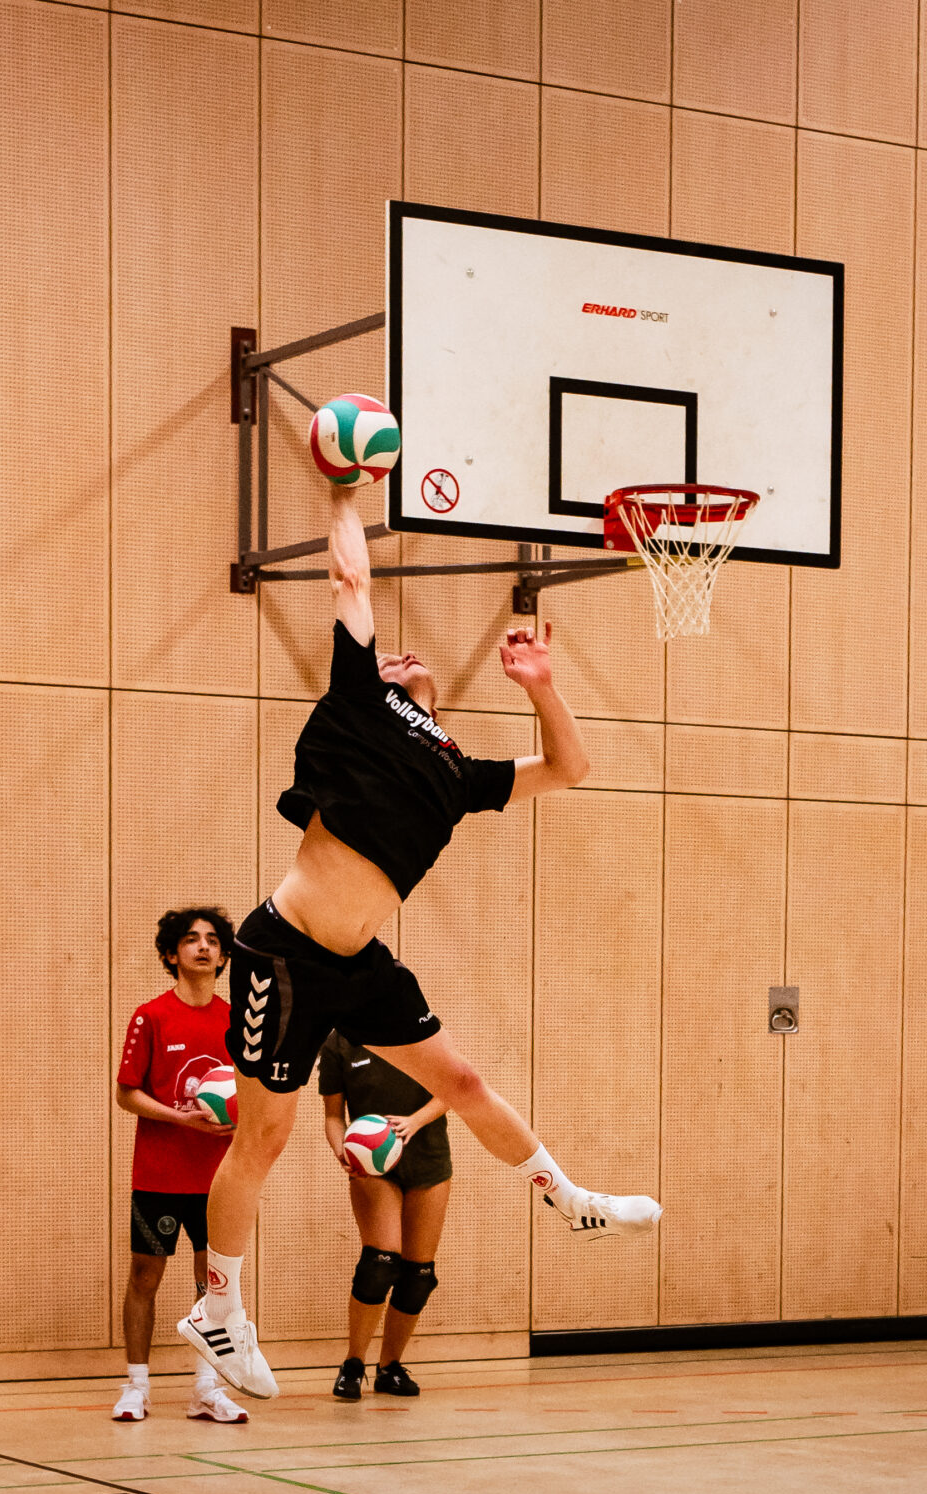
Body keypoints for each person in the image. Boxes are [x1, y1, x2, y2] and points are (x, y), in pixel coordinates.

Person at [178, 479, 661, 1402]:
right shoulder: (361, 701)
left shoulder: (458, 773)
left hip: (360, 966)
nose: (402, 656)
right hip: (284, 953)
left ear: (437, 699)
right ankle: (218, 1307)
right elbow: (350, 578)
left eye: (412, 661)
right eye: (393, 658)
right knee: (264, 1140)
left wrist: (544, 687)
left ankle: (571, 1200)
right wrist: (340, 488)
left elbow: (570, 766)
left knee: (466, 1082)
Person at [113, 907, 249, 1425]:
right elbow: (127, 1094)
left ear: (223, 955)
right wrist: (181, 1119)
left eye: (213, 940)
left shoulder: (237, 1020)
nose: (203, 947)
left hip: (220, 1178)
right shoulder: (151, 1015)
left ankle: (206, 1390)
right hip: (160, 1174)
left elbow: (256, 1094)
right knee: (145, 1276)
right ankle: (136, 1387)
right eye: (190, 940)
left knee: (212, 1284)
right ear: (172, 955)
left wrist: (245, 1123)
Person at [319, 1031, 451, 1400]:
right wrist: (342, 1149)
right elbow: (332, 1116)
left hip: (428, 1160)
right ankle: (353, 1364)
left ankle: (390, 1367)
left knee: (419, 1275)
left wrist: (415, 1121)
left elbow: (452, 1090)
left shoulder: (422, 1028)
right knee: (380, 1262)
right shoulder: (339, 1044)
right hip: (373, 1166)